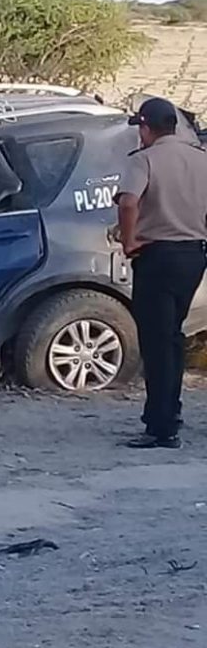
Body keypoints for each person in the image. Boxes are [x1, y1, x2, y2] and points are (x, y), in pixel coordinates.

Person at [115, 97, 207, 449]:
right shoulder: (200, 159)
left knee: (156, 342)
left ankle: (161, 426)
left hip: (156, 256)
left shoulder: (144, 160)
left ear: (145, 127)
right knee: (172, 337)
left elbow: (128, 202)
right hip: (193, 256)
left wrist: (129, 241)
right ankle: (172, 413)